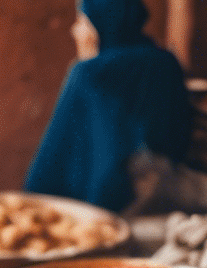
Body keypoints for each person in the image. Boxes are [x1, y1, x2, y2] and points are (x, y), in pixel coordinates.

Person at [24, 0, 190, 213]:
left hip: (106, 205)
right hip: (170, 198)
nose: (75, 30)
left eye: (82, 20)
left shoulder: (88, 74)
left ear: (102, 23)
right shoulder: (167, 62)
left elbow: (52, 164)